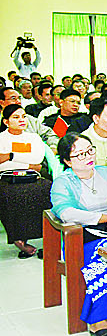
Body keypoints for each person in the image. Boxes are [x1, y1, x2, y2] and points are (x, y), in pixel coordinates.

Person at [49, 132, 107, 336]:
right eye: (80, 154)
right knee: (106, 259)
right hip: (83, 236)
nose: (88, 157)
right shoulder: (62, 183)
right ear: (67, 161)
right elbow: (66, 212)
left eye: (90, 150)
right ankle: (98, 320)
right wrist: (106, 218)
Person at [0, 103, 49, 257]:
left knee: (47, 189)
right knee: (9, 196)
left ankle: (49, 239)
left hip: (31, 177)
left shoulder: (33, 137)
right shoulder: (1, 138)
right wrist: (29, 164)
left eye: (24, 116)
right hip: (8, 178)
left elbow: (38, 159)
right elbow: (1, 164)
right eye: (16, 117)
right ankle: (19, 240)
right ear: (6, 121)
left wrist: (10, 156)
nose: (22, 120)